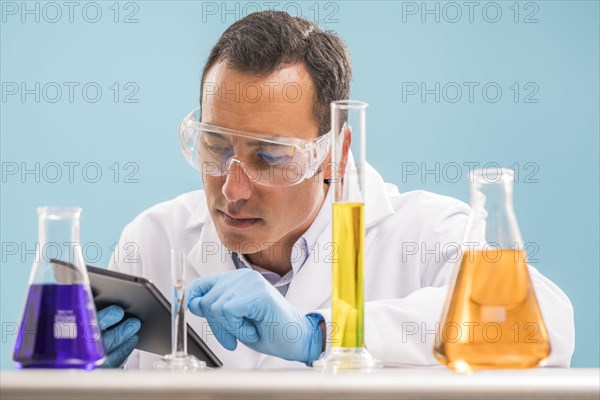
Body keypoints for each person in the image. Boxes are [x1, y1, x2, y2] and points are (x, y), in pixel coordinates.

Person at [103, 11, 575, 369]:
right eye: (215, 146)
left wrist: (324, 334)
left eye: (269, 156)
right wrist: (80, 374)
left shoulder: (421, 234)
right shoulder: (153, 240)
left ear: (336, 151)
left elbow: (543, 322)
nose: (233, 187)